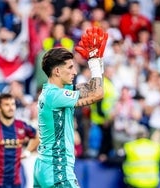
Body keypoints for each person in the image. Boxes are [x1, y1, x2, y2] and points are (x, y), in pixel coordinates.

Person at [33, 27, 108, 187]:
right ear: (57, 71)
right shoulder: (55, 95)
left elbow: (92, 88)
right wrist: (94, 61)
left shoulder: (57, 92)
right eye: (70, 67)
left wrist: (98, 62)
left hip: (45, 166)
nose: (75, 71)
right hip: (57, 168)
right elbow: (97, 94)